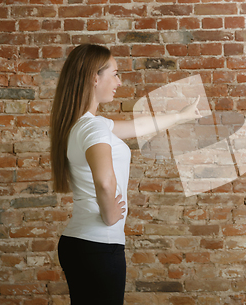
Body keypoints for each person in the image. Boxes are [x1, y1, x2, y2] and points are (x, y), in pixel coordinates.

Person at [50, 44, 201, 304]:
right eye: (116, 73)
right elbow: (105, 181)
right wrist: (110, 214)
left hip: (81, 243)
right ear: (94, 77)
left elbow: (138, 125)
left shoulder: (84, 125)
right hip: (99, 247)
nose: (119, 81)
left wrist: (180, 115)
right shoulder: (94, 127)